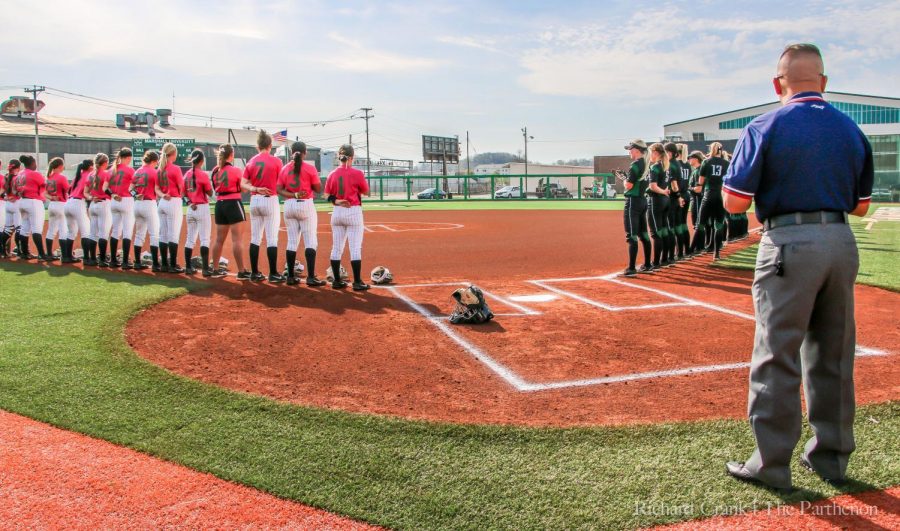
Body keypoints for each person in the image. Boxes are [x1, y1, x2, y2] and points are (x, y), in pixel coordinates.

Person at [723, 43, 873, 491]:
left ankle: (770, 464)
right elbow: (861, 208)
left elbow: (734, 201)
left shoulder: (764, 124)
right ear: (824, 83)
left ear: (777, 84)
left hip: (788, 242)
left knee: (776, 353)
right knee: (834, 352)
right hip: (841, 242)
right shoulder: (851, 130)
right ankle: (831, 459)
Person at [277, 141, 325, 286]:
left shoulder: (285, 168)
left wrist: (294, 195)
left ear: (291, 152)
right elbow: (318, 188)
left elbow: (279, 190)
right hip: (305, 204)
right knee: (310, 240)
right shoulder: (309, 168)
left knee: (292, 241)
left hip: (289, 204)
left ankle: (290, 276)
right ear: (305, 153)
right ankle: (311, 277)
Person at [324, 144, 370, 290]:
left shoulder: (332, 174)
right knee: (355, 248)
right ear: (351, 157)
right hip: (353, 210)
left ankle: (337, 281)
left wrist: (337, 200)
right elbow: (366, 191)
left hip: (337, 211)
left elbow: (326, 195)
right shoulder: (357, 173)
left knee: (336, 248)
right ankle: (357, 282)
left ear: (339, 157)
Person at [241, 130, 284, 282]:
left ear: (258, 146)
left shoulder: (251, 161)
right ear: (270, 145)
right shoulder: (277, 161)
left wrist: (255, 188)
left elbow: (243, 183)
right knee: (272, 238)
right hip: (270, 199)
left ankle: (254, 272)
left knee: (255, 238)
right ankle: (273, 273)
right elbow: (281, 183)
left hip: (255, 199)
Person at [209, 143, 250, 279]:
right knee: (237, 239)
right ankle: (241, 271)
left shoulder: (215, 170)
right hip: (233, 203)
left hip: (220, 204)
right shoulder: (236, 170)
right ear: (231, 155)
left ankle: (215, 269)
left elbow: (215, 188)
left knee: (219, 239)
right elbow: (244, 189)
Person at [690, 142, 729, 260]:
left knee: (700, 224)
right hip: (721, 195)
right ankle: (716, 254)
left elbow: (700, 182)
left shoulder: (706, 162)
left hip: (708, 194)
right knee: (718, 225)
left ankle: (692, 250)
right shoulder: (727, 163)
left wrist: (694, 187)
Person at [620, 140, 652, 276]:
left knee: (631, 235)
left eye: (630, 149)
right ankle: (648, 264)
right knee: (644, 234)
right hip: (643, 201)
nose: (629, 152)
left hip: (633, 202)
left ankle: (631, 268)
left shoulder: (635, 165)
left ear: (637, 150)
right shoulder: (647, 164)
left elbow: (629, 186)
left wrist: (623, 180)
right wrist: (627, 179)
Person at [183, 149, 213, 276]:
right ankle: (205, 269)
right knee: (205, 239)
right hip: (201, 207)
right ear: (201, 161)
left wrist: (189, 203)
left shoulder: (186, 174)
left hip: (191, 208)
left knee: (190, 239)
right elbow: (210, 193)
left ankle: (188, 267)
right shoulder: (203, 174)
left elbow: (183, 194)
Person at [105, 148, 136, 268]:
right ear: (128, 157)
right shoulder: (130, 170)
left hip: (114, 200)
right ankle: (125, 261)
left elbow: (105, 188)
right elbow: (134, 187)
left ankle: (113, 260)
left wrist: (112, 194)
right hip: (126, 200)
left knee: (115, 230)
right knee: (127, 231)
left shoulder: (111, 170)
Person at [157, 142, 185, 273]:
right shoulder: (175, 168)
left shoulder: (160, 169)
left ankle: (164, 264)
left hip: (162, 202)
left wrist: (163, 195)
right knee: (173, 234)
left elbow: (156, 188)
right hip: (173, 201)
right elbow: (181, 187)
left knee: (163, 234)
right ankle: (173, 265)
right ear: (173, 154)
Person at [131, 151, 161, 271]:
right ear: (154, 161)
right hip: (149, 203)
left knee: (139, 234)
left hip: (137, 203)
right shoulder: (154, 172)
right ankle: (155, 264)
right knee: (154, 234)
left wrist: (135, 195)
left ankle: (137, 262)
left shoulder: (138, 171)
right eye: (156, 162)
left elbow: (130, 189)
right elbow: (158, 189)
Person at [15, 155, 49, 261]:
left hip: (22, 202)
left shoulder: (20, 174)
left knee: (24, 228)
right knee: (36, 229)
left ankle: (24, 253)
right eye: (35, 163)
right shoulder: (35, 173)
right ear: (32, 163)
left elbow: (16, 188)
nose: (36, 164)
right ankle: (42, 255)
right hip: (33, 202)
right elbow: (45, 185)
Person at [645, 143, 671, 269]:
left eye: (650, 152)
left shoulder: (655, 167)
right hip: (665, 201)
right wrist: (665, 192)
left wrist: (662, 191)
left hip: (656, 201)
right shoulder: (666, 166)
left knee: (656, 233)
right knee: (664, 230)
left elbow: (653, 186)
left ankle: (656, 262)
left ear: (655, 152)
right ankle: (664, 259)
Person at [84, 153, 112, 266]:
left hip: (93, 204)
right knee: (103, 233)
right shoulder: (106, 173)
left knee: (93, 233)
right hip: (103, 203)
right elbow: (108, 189)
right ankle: (102, 259)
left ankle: (92, 258)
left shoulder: (91, 174)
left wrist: (91, 197)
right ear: (105, 163)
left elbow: (85, 192)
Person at [63, 159, 93, 264]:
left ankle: (66, 256)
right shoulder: (90, 175)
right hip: (78, 203)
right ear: (90, 167)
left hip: (68, 203)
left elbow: (69, 190)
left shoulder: (78, 176)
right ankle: (86, 258)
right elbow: (87, 192)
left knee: (71, 232)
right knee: (86, 231)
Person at [44, 157, 70, 262]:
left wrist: (51, 197)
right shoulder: (62, 177)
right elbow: (69, 190)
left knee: (51, 230)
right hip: (61, 205)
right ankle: (64, 256)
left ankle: (49, 253)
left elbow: (45, 193)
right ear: (60, 166)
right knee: (63, 229)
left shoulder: (49, 178)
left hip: (52, 205)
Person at [2, 160, 22, 258]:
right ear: (18, 167)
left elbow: (3, 190)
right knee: (19, 228)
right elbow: (20, 191)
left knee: (7, 230)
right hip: (16, 203)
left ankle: (2, 251)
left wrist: (7, 197)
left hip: (8, 204)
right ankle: (19, 250)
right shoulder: (18, 177)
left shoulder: (6, 176)